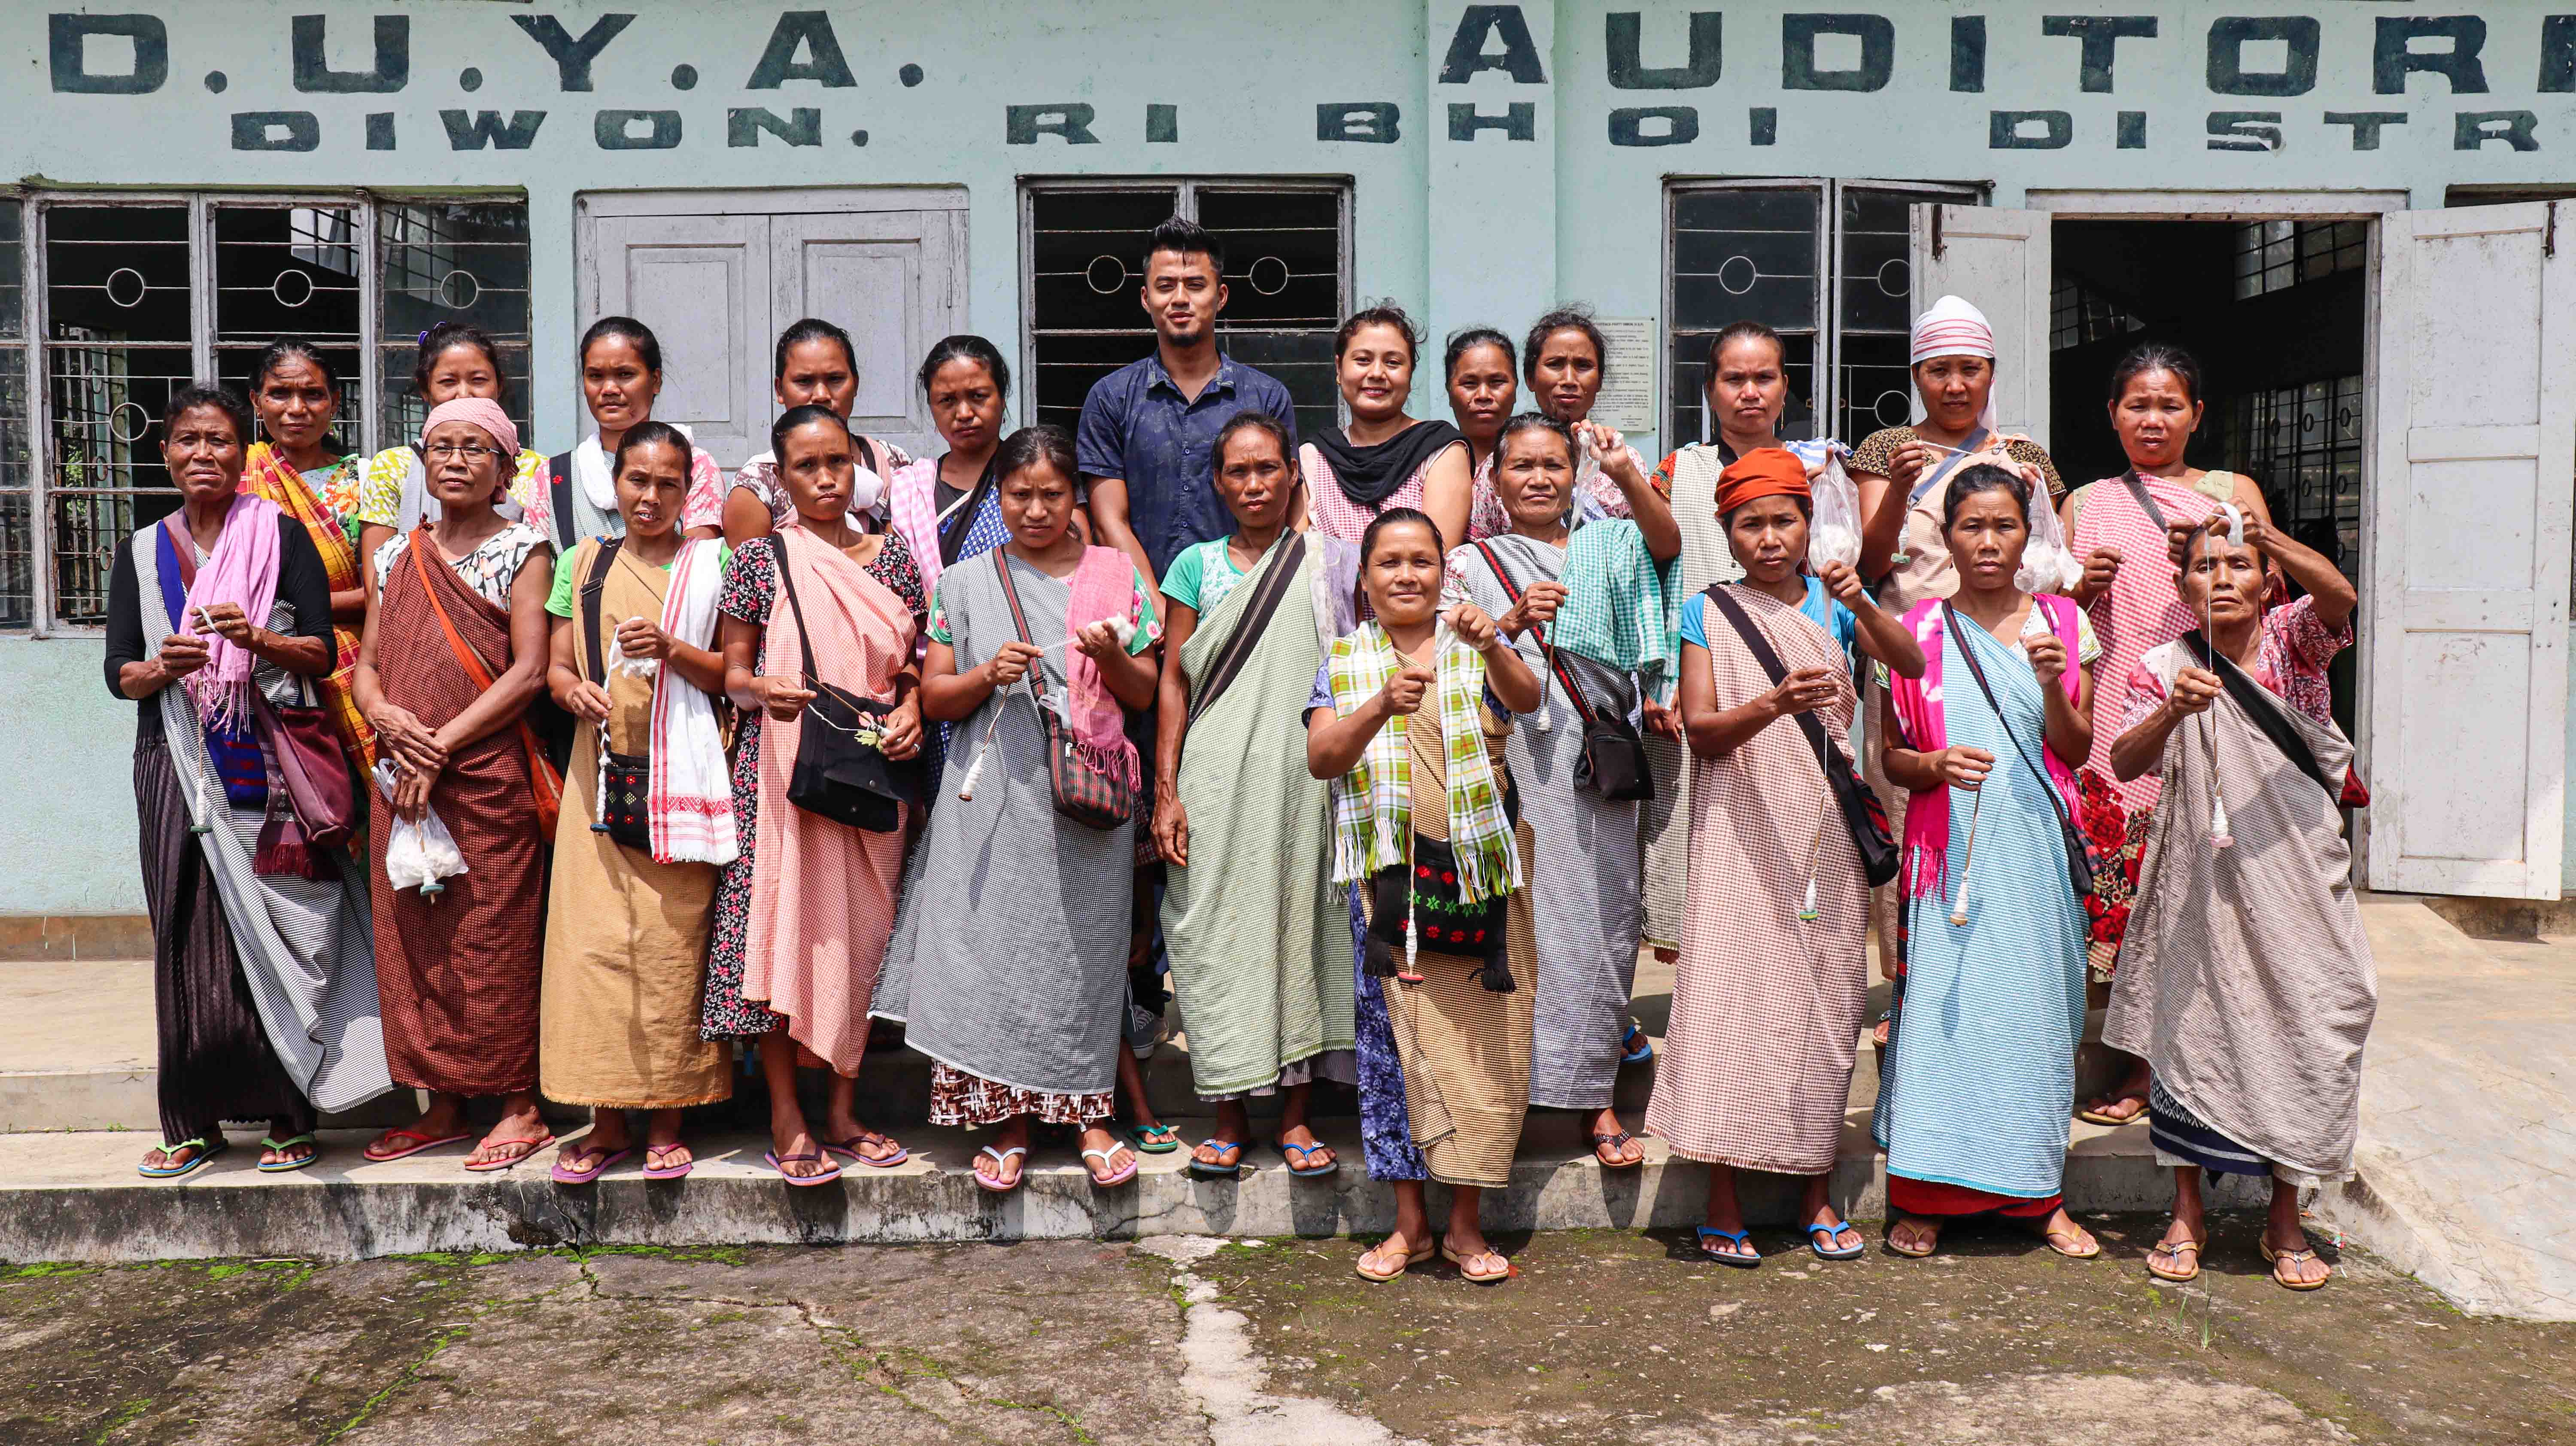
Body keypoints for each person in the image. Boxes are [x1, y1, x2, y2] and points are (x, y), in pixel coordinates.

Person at [105, 386, 392, 1178]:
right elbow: (118, 671)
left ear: (246, 454)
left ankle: (286, 1113)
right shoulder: (140, 551)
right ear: (166, 453)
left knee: (282, 928)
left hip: (264, 760)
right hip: (174, 762)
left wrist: (259, 638)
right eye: (189, 440)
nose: (205, 454)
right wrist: (161, 667)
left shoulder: (280, 534)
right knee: (186, 931)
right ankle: (192, 1120)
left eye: (222, 441)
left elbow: (322, 652)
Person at [1646, 447, 1923, 1264]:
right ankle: (1722, 1195)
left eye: (1784, 520)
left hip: (1826, 831)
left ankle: (1816, 1190)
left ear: (1809, 524)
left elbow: (1909, 666)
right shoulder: (1707, 610)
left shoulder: (1837, 602)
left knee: (1825, 1005)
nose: (1769, 538)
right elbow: (1702, 730)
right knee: (1732, 1000)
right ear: (1727, 533)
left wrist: (1861, 606)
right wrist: (1772, 702)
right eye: (1751, 524)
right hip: (1738, 826)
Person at [875, 425, 1163, 1193]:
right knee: (999, 958)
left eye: (1052, 494)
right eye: (1019, 494)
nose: (1036, 509)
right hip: (994, 798)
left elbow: (1144, 692)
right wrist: (983, 677)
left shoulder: (1115, 574)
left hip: (1090, 803)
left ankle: (1090, 1115)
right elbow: (934, 696)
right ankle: (1007, 1123)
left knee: (1084, 957)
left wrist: (1108, 656)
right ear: (999, 497)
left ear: (1076, 496)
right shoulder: (965, 584)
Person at [2105, 511, 2367, 1292]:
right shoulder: (2161, 665)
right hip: (2202, 883)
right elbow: (2123, 759)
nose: (2220, 579)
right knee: (2195, 1027)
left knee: (2322, 1015)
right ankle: (2187, 1211)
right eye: (2203, 567)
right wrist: (2173, 711)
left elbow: (2342, 598)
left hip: (2299, 879)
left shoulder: (2294, 642)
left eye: (2238, 565)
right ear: (2180, 584)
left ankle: (2286, 1213)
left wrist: (2273, 537)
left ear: (2266, 580)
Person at [1308, 509, 1544, 1285]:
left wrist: (1490, 643)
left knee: (1484, 1057)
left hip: (1481, 878)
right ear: (1365, 579)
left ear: (1445, 574)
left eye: (1422, 561)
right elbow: (1321, 756)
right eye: (1390, 563)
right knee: (1392, 1057)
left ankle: (1466, 1227)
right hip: (1388, 889)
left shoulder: (1474, 646)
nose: (1407, 574)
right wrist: (1380, 704)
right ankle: (1408, 1226)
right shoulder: (1344, 661)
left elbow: (1529, 697)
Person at [1874, 462, 2101, 1260]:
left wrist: (2052, 689)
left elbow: (2076, 748)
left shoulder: (2066, 625)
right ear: (1947, 536)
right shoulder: (1917, 631)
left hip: (2035, 847)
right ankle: (1927, 1195)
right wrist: (1935, 767)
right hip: (1950, 861)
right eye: (1972, 525)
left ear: (2028, 531)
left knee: (2035, 1020)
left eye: (2005, 524)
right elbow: (1893, 758)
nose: (1989, 541)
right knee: (1948, 1018)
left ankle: (2039, 1197)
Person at [1443, 413, 1678, 1173]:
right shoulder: (1469, 561)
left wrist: (1625, 474)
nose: (1539, 477)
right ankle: (1506, 1102)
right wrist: (1508, 623)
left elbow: (1669, 546)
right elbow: (1446, 663)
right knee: (1514, 926)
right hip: (1509, 758)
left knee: (1600, 929)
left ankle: (1594, 1098)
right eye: (1521, 466)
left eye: (1553, 464)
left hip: (1595, 761)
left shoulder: (1612, 540)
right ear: (1495, 481)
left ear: (1575, 475)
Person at [701, 406, 927, 1185]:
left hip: (870, 770)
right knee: (784, 936)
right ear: (782, 476)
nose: (825, 479)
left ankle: (843, 1108)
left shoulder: (894, 556)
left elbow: (914, 665)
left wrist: (911, 709)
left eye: (837, 462)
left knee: (860, 939)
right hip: (784, 774)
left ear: (859, 467)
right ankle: (788, 1116)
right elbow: (730, 672)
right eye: (807, 466)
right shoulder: (760, 558)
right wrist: (762, 685)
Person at [2061, 343, 2279, 1127]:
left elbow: (2270, 596)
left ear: (2197, 415)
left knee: (2198, 900)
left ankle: (2170, 1068)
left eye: (2170, 405)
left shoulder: (2230, 494)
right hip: (2123, 725)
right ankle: (2123, 1056)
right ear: (2113, 415)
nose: (2152, 419)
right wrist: (2080, 589)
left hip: (2218, 715)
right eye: (2136, 405)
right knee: (2119, 907)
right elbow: (2056, 625)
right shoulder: (2086, 504)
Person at [1847, 297, 2069, 1033]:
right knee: (1912, 799)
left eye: (1968, 369)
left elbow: (2056, 566)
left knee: (2011, 806)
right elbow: (1873, 562)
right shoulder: (1886, 449)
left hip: (2011, 647)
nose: (1953, 385)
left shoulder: (2026, 456)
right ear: (1917, 375)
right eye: (1937, 370)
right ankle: (1910, 979)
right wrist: (1904, 487)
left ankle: (2012, 967)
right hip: (1913, 655)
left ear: (1990, 372)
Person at [354, 396, 557, 1170]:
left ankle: (520, 1104)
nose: (456, 460)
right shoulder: (395, 556)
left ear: (505, 467)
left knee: (493, 938)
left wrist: (437, 744)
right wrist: (386, 720)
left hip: (482, 780)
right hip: (401, 781)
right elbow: (370, 662)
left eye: (476, 447)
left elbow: (531, 669)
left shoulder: (525, 549)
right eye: (441, 446)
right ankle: (439, 1105)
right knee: (415, 943)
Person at [1154, 413, 1353, 1179]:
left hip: (1307, 775)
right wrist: (1167, 791)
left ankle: (1298, 1118)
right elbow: (1175, 680)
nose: (1253, 484)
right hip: (1215, 775)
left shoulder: (1330, 562)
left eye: (1267, 468)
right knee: (1212, 932)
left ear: (1293, 476)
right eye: (1237, 472)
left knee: (1303, 928)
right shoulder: (1194, 567)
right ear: (1217, 482)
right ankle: (1229, 1115)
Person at [538, 421, 736, 1184]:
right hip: (599, 771)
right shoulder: (580, 564)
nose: (650, 497)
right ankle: (604, 1121)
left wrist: (674, 652)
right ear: (613, 485)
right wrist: (572, 688)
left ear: (690, 491)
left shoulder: (712, 566)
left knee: (671, 945)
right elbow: (556, 665)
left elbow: (733, 673)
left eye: (667, 484)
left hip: (687, 778)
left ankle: (666, 1118)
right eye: (636, 481)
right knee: (591, 950)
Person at [1641, 321, 1846, 958]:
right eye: (1734, 379)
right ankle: (1712, 1002)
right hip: (1700, 685)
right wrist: (1657, 678)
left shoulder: (1823, 472)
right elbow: (1647, 578)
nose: (1749, 392)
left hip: (1803, 683)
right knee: (1706, 850)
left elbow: (1844, 570)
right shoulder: (1678, 473)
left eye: (1764, 378)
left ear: (1787, 389)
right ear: (1710, 390)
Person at [1079, 216, 1300, 586]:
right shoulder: (1111, 398)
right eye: (1165, 286)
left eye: (1196, 285)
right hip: (1139, 616)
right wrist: (1156, 604)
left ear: (1221, 296)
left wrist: (1252, 602)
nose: (1180, 299)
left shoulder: (1265, 397)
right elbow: (1108, 521)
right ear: (1146, 299)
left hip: (1244, 609)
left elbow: (1287, 512)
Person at [240, 340, 373, 767]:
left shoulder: (363, 480)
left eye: (313, 394)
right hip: (257, 675)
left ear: (335, 402)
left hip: (355, 671)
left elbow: (383, 592)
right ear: (257, 402)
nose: (297, 408)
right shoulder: (235, 482)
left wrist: (288, 615)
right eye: (280, 394)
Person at [351, 322, 546, 565]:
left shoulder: (539, 470)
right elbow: (377, 584)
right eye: (448, 382)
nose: (464, 394)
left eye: (478, 380)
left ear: (499, 385)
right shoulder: (393, 467)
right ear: (425, 389)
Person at [529, 316, 728, 551]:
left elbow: (698, 568)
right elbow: (541, 575)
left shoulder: (695, 466)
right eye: (596, 376)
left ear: (656, 380)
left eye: (625, 375)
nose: (609, 389)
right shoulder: (553, 477)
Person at [725, 318, 916, 546]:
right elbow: (750, 574)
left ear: (855, 384)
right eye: (804, 381)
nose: (821, 395)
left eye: (835, 379)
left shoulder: (893, 463)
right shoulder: (760, 482)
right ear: (780, 389)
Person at [1299, 304, 1474, 552]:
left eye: (1393, 363)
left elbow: (1435, 559)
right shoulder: (1314, 457)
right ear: (1339, 368)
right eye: (1363, 360)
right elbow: (1300, 559)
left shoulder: (1440, 451)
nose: (1377, 373)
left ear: (1411, 373)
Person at [1516, 307, 1665, 533]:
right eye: (1555, 364)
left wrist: (1624, 473)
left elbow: (1656, 543)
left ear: (1600, 381)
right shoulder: (1505, 460)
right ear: (1530, 378)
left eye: (1583, 366)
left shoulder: (1624, 460)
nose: (1569, 380)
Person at [1441, 326, 1518, 537]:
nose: (1483, 395)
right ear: (1449, 392)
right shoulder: (1431, 464)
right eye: (1469, 383)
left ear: (1516, 389)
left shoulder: (1539, 464)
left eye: (1497, 383)